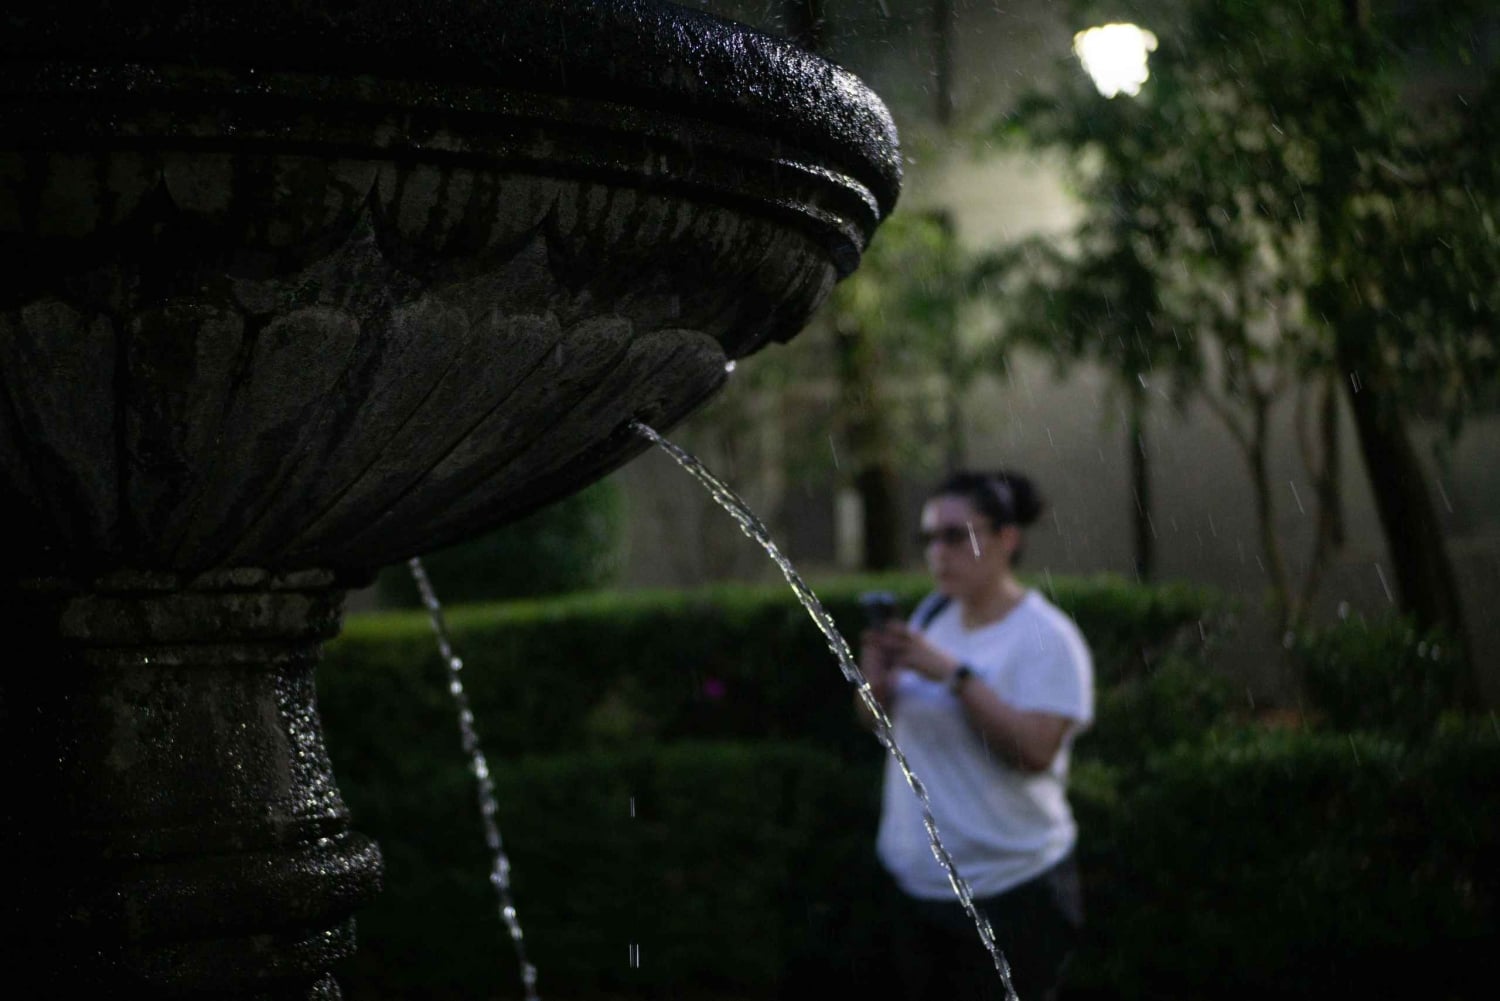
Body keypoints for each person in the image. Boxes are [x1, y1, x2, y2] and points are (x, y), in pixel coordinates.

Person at [859, 469, 1094, 1001]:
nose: (938, 554)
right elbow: (874, 721)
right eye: (928, 539)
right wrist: (873, 676)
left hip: (1009, 893)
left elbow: (1035, 752)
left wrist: (957, 676)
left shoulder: (1048, 638)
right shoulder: (932, 614)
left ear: (1007, 539)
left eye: (955, 536)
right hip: (914, 888)